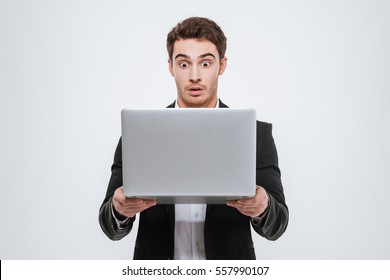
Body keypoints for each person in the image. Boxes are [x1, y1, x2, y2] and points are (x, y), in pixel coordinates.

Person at [99, 17, 288, 260]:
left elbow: (278, 225)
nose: (195, 76)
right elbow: (109, 224)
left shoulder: (255, 134)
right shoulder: (141, 133)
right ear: (171, 67)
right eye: (184, 64)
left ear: (222, 65)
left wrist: (264, 207)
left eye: (206, 63)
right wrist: (118, 210)